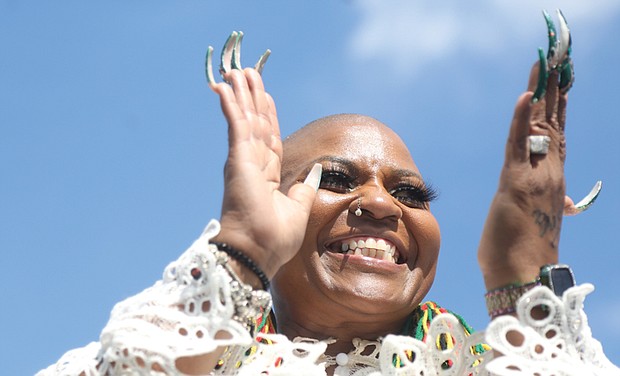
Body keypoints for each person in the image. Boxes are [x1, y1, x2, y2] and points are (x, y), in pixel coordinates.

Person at [38, 11, 617, 376]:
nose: (383, 205)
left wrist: (525, 283)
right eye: (335, 180)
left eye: (412, 193)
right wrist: (241, 251)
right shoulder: (180, 351)